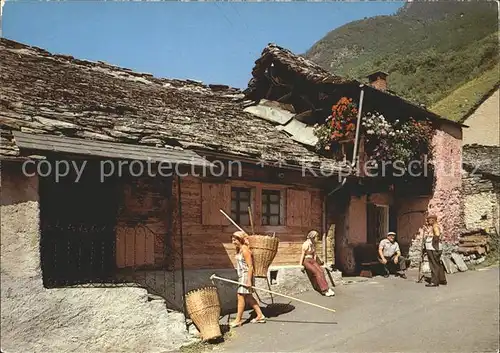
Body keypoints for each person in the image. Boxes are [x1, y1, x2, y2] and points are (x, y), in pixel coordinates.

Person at [230, 231, 266, 327]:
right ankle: (260, 315)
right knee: (249, 297)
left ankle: (238, 320)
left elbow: (250, 266)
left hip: (246, 276)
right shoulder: (240, 249)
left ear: (240, 239)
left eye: (235, 240)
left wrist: (249, 280)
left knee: (240, 296)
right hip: (242, 276)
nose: (233, 242)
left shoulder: (245, 250)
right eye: (232, 240)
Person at [299, 230, 335, 297]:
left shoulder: (313, 244)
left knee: (321, 271)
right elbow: (302, 255)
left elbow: (315, 254)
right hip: (307, 261)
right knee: (317, 272)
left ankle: (327, 288)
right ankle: (324, 290)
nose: (317, 238)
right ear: (312, 237)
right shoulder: (306, 244)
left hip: (312, 260)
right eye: (316, 237)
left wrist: (316, 263)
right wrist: (300, 265)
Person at [423, 214, 447, 287]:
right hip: (436, 248)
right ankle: (442, 280)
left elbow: (437, 234)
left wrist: (434, 242)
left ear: (432, 220)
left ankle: (434, 282)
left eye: (429, 220)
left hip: (432, 248)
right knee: (437, 264)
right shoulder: (436, 226)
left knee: (433, 264)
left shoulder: (435, 226)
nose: (428, 221)